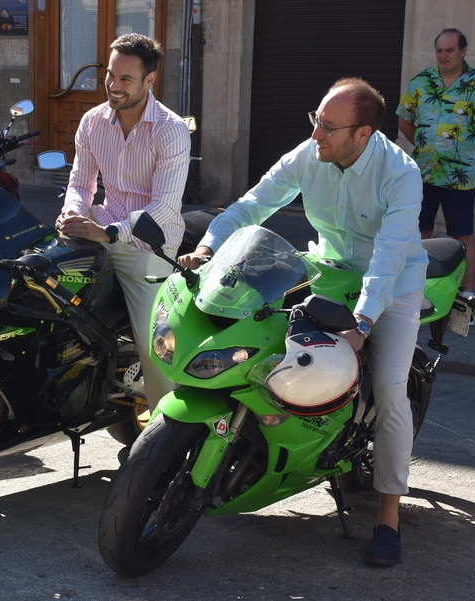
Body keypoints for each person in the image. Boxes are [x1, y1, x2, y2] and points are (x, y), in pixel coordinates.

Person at [179, 78, 427, 567]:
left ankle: (388, 516)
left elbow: (389, 254)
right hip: (327, 269)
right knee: (260, 336)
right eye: (316, 120)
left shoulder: (401, 173)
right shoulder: (310, 153)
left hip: (393, 285)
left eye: (329, 127)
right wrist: (209, 247)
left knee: (391, 388)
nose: (317, 133)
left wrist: (362, 324)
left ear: (363, 134)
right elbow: (254, 205)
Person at [56, 33, 190, 412]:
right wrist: (73, 211)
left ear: (150, 80)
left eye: (125, 79)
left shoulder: (171, 129)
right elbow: (81, 183)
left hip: (148, 245)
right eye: (110, 75)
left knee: (157, 348)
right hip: (100, 229)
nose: (114, 85)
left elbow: (164, 206)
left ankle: (168, 428)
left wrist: (111, 232)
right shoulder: (92, 121)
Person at [396, 28, 475, 324]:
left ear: (463, 51)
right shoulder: (421, 82)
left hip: (460, 177)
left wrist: (469, 144)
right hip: (422, 174)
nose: (443, 56)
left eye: (449, 50)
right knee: (419, 234)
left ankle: (466, 301)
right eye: (439, 50)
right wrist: (423, 145)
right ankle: (415, 295)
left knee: (462, 236)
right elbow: (404, 119)